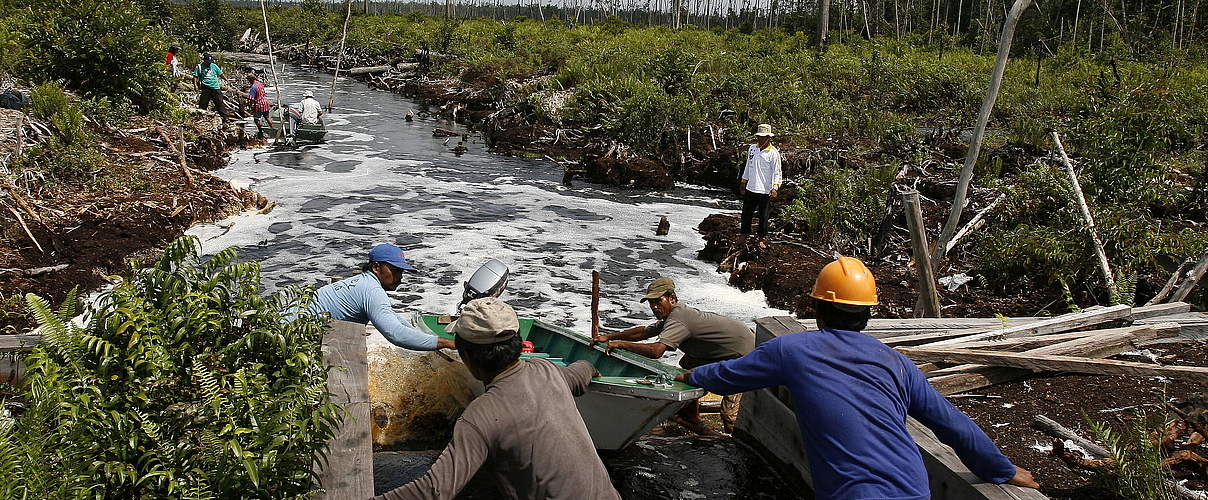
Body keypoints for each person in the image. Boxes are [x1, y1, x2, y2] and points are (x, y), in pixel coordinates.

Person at [675, 257, 1041, 499]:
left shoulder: (793, 351)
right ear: (867, 316)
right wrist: (1001, 470)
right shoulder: (897, 362)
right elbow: (952, 424)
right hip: (914, 490)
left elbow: (728, 376)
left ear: (817, 307)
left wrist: (693, 374)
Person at [372, 297, 620, 500]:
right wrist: (590, 366)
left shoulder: (480, 416)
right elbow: (578, 374)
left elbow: (435, 490)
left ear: (467, 356)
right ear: (519, 344)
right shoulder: (546, 370)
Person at [592, 276, 754, 434]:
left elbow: (656, 351)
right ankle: (690, 415)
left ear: (672, 298)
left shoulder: (679, 318)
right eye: (651, 303)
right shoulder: (674, 315)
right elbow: (643, 332)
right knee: (688, 364)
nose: (654, 307)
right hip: (729, 352)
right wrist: (610, 337)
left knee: (729, 416)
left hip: (745, 357)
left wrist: (621, 344)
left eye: (658, 301)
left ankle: (733, 442)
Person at [309, 243, 455, 352]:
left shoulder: (363, 282)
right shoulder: (372, 290)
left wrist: (426, 339)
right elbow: (395, 334)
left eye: (401, 272)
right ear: (376, 267)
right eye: (395, 271)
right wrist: (447, 343)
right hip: (291, 340)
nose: (400, 277)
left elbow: (394, 318)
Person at [739, 123, 782, 240]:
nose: (760, 139)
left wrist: (775, 187)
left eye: (763, 137)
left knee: (763, 216)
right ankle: (744, 235)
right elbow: (748, 165)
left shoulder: (773, 153)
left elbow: (777, 172)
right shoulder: (752, 149)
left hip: (765, 190)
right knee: (746, 214)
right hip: (751, 187)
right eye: (758, 136)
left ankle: (762, 238)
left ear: (768, 137)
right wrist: (743, 181)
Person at [192, 53, 230, 123]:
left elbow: (220, 74)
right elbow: (195, 76)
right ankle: (201, 116)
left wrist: (226, 80)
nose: (209, 63)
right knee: (203, 103)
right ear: (204, 61)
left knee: (219, 103)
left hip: (215, 87)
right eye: (208, 62)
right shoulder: (199, 67)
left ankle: (225, 118)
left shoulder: (214, 66)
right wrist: (195, 85)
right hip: (205, 87)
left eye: (210, 62)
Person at [245, 74, 274, 139]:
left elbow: (251, 98)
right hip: (266, 103)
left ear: (250, 80)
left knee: (256, 119)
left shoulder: (253, 87)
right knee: (267, 117)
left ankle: (260, 131)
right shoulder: (260, 84)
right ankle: (273, 129)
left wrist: (250, 106)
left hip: (259, 105)